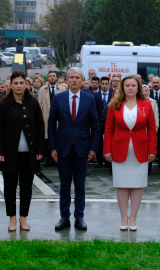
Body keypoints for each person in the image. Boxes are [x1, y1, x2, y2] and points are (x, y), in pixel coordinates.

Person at [48, 67, 99, 231]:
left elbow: (95, 125)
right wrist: (53, 147)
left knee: (80, 186)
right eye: (72, 78)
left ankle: (79, 217)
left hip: (82, 148)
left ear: (82, 80)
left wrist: (93, 147)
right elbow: (51, 124)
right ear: (67, 80)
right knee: (64, 186)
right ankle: (64, 217)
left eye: (78, 77)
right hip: (63, 148)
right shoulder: (59, 98)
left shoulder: (89, 99)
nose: (75, 80)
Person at [104, 75, 157, 231]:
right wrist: (106, 150)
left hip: (140, 150)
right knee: (121, 185)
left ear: (138, 87)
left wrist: (152, 150)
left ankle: (133, 217)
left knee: (137, 185)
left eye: (133, 85)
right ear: (122, 88)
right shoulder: (114, 105)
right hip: (119, 149)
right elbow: (108, 129)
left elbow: (152, 130)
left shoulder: (146, 105)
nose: (130, 88)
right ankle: (123, 217)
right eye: (127, 85)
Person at [0, 70, 45, 231]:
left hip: (29, 153)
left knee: (26, 186)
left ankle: (23, 217)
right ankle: (12, 218)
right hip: (9, 154)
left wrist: (40, 149)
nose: (18, 86)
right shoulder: (3, 103)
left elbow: (40, 126)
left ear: (26, 84)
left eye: (21, 83)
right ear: (10, 85)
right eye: (15, 83)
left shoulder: (33, 102)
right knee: (9, 186)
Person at [38, 71, 67, 167]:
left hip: (59, 117)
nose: (52, 78)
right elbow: (40, 104)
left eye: (53, 76)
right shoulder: (42, 90)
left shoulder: (62, 89)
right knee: (47, 138)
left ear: (56, 78)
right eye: (50, 76)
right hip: (46, 116)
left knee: (57, 137)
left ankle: (56, 159)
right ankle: (47, 159)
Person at [95, 76, 113, 168]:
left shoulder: (112, 95)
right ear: (100, 84)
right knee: (98, 142)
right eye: (103, 84)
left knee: (107, 142)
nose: (104, 86)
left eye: (106, 84)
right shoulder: (95, 96)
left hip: (109, 123)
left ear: (109, 84)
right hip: (98, 123)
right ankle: (99, 161)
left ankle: (107, 161)